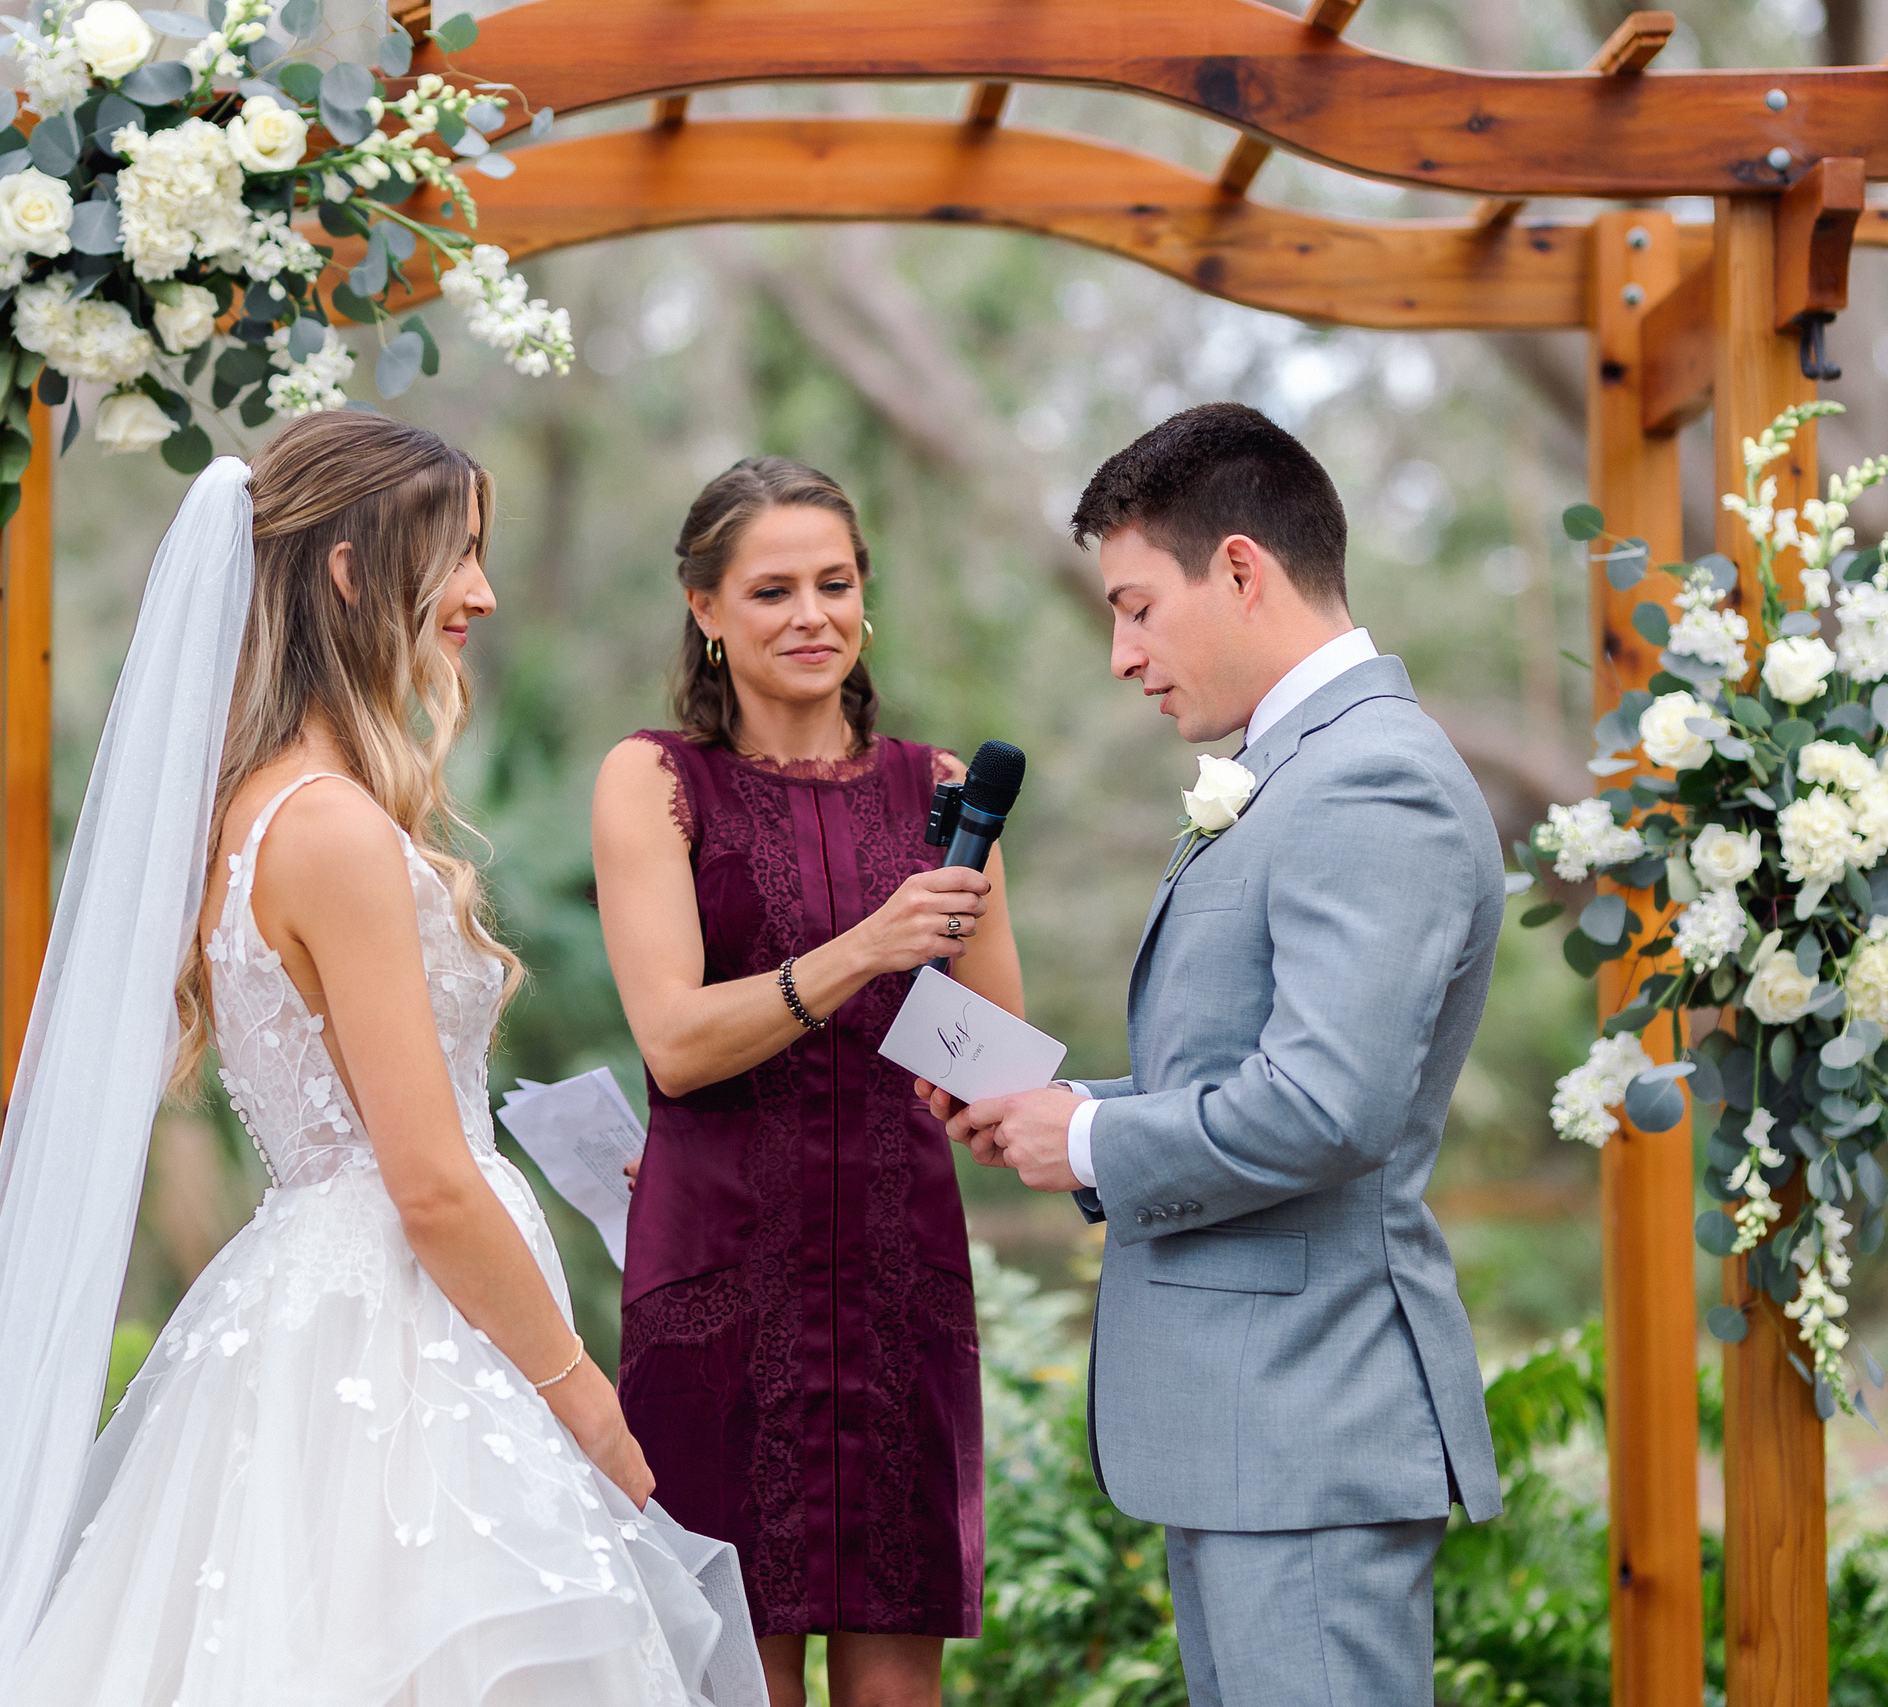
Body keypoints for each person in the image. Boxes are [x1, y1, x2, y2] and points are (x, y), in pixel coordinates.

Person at [0, 414, 763, 1707]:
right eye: (456, 555)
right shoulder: (329, 829)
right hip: (399, 1336)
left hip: (337, 1302)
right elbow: (433, 1182)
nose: (483, 593)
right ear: (349, 570)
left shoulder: (262, 805)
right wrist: (586, 1401)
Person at [939, 403, 1502, 1707]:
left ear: (1240, 567)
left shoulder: (1369, 780)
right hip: (1259, 1433)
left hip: (1310, 1420)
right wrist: (1080, 1103)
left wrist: (1087, 1140)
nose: (1123, 654)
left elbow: (1327, 1102)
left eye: (1136, 607)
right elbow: (1264, 1059)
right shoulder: (1296, 763)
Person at [591, 457, 1021, 1707]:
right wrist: (867, 949)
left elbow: (991, 1053)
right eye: (771, 589)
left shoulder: (942, 794)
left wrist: (992, 1094)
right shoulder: (654, 779)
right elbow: (670, 1040)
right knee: (735, 1675)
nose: (810, 615)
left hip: (897, 1277)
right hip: (721, 1276)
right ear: (705, 609)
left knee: (898, 1684)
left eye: (834, 583)